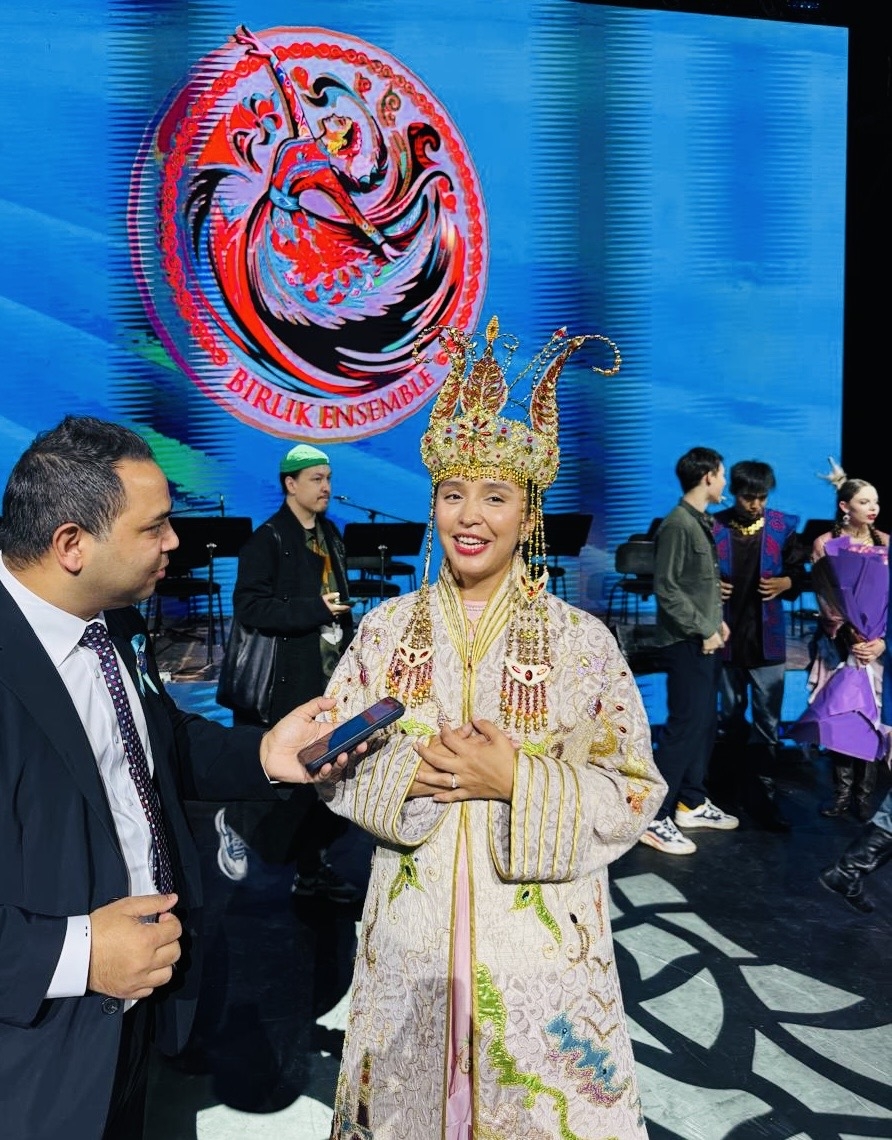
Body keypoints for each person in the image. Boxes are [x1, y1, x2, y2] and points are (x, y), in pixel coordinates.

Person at [312, 316, 666, 1139]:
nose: (470, 517)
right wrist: (413, 777)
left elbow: (634, 786)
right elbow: (330, 753)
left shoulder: (583, 643)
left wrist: (517, 782)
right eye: (452, 493)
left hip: (537, 944)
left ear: (527, 510)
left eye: (495, 496)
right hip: (411, 933)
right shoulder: (384, 630)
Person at [0, 415, 350, 1140]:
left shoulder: (113, 623)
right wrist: (83, 955)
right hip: (34, 1052)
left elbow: (157, 741)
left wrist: (265, 755)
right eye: (155, 527)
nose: (174, 543)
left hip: (137, 1020)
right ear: (72, 544)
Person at [215, 442, 360, 903]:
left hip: (329, 672)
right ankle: (235, 824)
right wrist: (312, 609)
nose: (326, 488)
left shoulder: (331, 533)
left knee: (330, 780)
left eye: (328, 479)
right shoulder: (268, 540)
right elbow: (249, 607)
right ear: (290, 484)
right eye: (316, 479)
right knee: (290, 781)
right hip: (288, 678)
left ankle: (312, 869)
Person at [640, 446, 738, 856]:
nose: (725, 482)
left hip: (705, 638)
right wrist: (703, 628)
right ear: (707, 477)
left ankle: (691, 801)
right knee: (684, 727)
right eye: (722, 474)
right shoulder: (678, 524)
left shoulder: (701, 521)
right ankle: (653, 817)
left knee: (703, 722)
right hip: (684, 641)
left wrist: (716, 622)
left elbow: (697, 584)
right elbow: (667, 589)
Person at [789, 464, 889, 821]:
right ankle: (841, 793)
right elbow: (827, 596)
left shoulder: (886, 544)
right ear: (846, 506)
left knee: (871, 718)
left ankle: (864, 798)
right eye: (865, 501)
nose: (873, 508)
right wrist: (848, 633)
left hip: (876, 647)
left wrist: (879, 639)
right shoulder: (825, 545)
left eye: (875, 501)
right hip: (841, 644)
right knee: (840, 716)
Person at [711, 460, 805, 830]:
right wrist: (711, 587)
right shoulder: (714, 526)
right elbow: (696, 573)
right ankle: (725, 791)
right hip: (728, 637)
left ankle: (765, 797)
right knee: (729, 719)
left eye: (762, 497)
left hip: (768, 640)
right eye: (750, 497)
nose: (756, 504)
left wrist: (787, 583)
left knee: (768, 723)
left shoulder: (783, 527)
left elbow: (798, 573)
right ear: (735, 493)